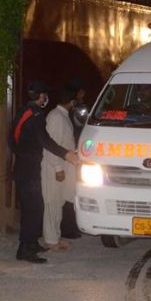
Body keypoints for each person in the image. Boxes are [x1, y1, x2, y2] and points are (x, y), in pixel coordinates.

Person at [10, 81, 79, 263]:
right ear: (41, 96)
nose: (46, 98)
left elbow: (12, 140)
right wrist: (66, 155)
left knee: (36, 207)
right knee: (32, 210)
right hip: (29, 169)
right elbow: (45, 140)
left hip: (24, 166)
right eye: (45, 95)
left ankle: (32, 243)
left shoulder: (22, 112)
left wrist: (22, 153)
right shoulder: (37, 115)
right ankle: (24, 249)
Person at [41, 87, 78, 251]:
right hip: (53, 167)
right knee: (52, 203)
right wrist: (57, 168)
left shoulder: (62, 116)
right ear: (72, 102)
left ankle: (55, 235)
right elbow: (51, 146)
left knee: (59, 202)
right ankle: (50, 239)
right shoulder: (56, 117)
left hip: (62, 166)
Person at [62, 78, 87, 239]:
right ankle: (68, 227)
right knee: (69, 192)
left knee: (74, 191)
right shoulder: (71, 111)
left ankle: (72, 226)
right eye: (81, 93)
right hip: (70, 154)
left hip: (76, 152)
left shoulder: (77, 108)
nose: (83, 96)